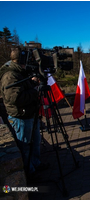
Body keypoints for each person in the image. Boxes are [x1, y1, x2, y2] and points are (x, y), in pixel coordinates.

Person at [0, 47, 49, 178]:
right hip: (20, 116)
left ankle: (35, 164)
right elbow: (16, 98)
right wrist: (35, 90)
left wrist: (32, 83)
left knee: (35, 142)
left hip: (29, 114)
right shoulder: (10, 75)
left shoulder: (20, 72)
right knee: (25, 146)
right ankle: (29, 171)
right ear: (20, 60)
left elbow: (23, 89)